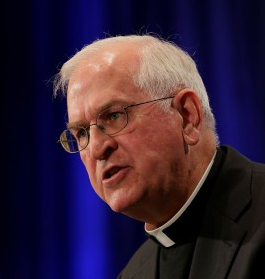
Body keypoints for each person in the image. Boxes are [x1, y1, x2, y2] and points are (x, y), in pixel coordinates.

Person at [53, 34, 265, 278]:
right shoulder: (133, 274)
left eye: (113, 116)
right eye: (81, 133)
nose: (97, 149)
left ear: (187, 117)